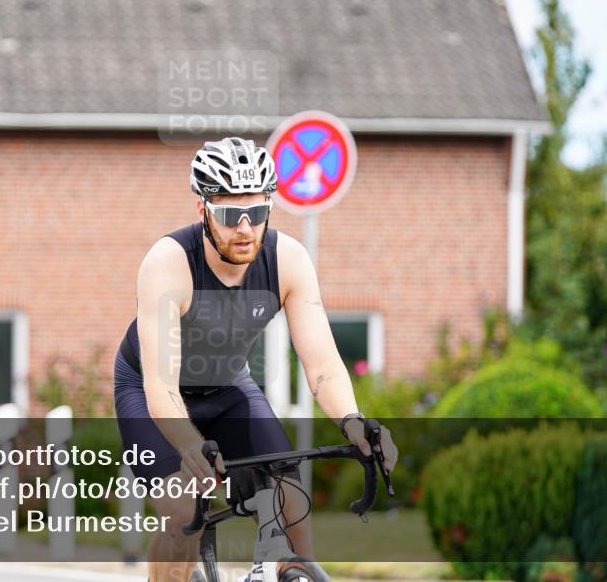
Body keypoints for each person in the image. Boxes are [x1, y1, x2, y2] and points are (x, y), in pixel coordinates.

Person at [113, 137, 398, 581]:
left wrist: (354, 422)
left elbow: (322, 363)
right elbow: (162, 385)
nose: (245, 228)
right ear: (203, 210)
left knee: (292, 500)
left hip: (228, 387)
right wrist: (190, 447)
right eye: (230, 215)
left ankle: (285, 568)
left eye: (258, 213)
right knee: (185, 514)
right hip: (152, 391)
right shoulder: (168, 263)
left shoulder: (289, 261)